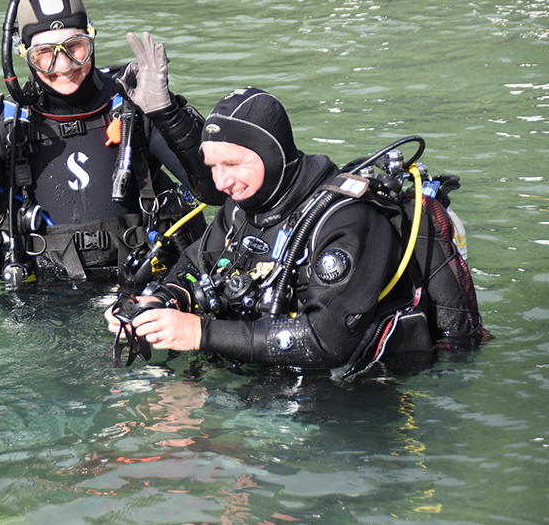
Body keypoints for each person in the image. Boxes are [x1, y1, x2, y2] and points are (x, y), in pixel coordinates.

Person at [105, 87, 485, 375]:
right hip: (269, 375)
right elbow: (195, 264)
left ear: (271, 154)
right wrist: (160, 302)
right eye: (213, 166)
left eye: (233, 163)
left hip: (361, 393)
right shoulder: (244, 206)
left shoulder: (345, 220)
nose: (221, 182)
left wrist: (200, 334)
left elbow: (326, 340)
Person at [0, 0, 223, 283]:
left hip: (144, 292)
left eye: (75, 47)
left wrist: (166, 112)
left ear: (92, 37)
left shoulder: (136, 105)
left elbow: (216, 191)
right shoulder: (7, 125)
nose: (63, 65)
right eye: (44, 54)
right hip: (42, 303)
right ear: (23, 53)